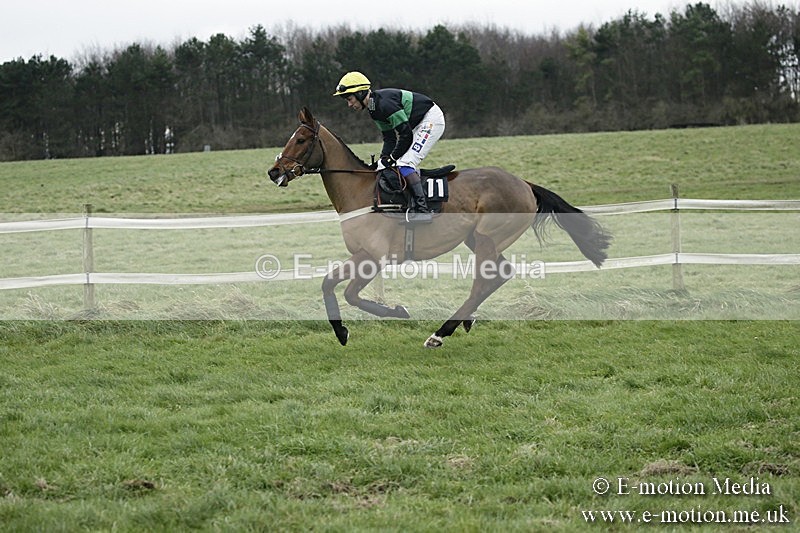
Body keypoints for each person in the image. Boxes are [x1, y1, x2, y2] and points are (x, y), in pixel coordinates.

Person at [333, 71, 446, 222]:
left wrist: (392, 158)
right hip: (417, 124)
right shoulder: (374, 109)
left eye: (350, 99)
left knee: (405, 163)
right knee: (392, 165)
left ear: (360, 93)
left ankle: (422, 209)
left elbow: (405, 135)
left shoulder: (384, 105)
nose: (349, 104)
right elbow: (389, 138)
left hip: (430, 120)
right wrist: (383, 160)